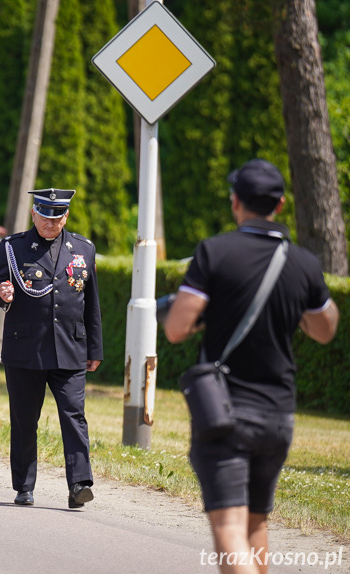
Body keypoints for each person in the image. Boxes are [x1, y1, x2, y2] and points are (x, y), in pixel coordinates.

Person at [164, 159, 339, 574]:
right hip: (278, 414)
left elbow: (176, 328)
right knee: (255, 523)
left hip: (225, 413)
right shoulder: (304, 264)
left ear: (236, 202)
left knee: (228, 526)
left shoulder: (215, 251)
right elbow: (324, 328)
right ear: (279, 205)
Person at [0, 188, 103, 509]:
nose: (51, 223)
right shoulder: (12, 247)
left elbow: (91, 303)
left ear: (66, 216)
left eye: (57, 217)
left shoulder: (83, 249)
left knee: (73, 416)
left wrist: (95, 348)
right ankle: (24, 486)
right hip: (26, 349)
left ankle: (80, 483)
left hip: (70, 348)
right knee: (25, 420)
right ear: (34, 214)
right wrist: (2, 292)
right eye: (45, 216)